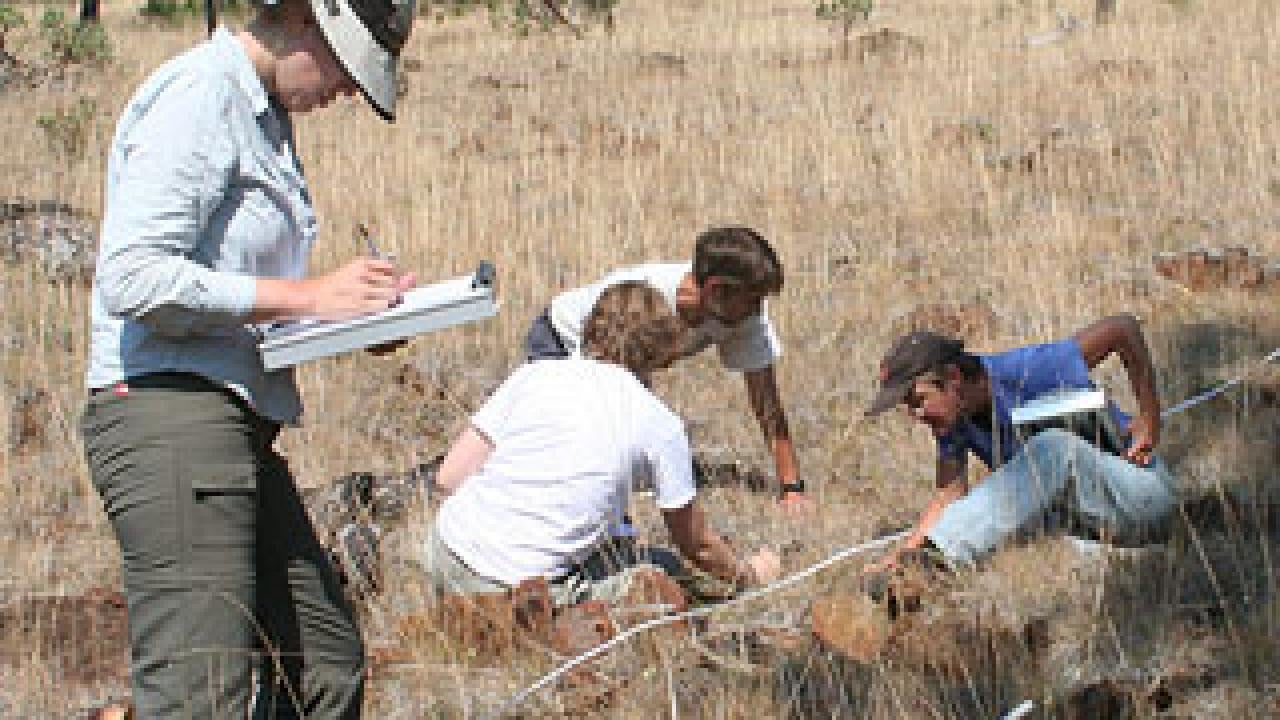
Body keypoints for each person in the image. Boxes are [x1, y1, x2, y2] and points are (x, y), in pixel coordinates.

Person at [80, 0, 417, 716]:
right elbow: (134, 277)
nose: (348, 91)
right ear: (300, 20)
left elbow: (240, 308)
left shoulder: (263, 116)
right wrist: (309, 296)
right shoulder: (203, 96)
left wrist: (349, 317)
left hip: (231, 422)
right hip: (167, 415)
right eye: (346, 68)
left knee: (324, 665)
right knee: (201, 693)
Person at [425, 282, 782, 609]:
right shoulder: (659, 424)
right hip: (518, 587)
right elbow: (698, 546)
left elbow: (449, 476)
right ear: (665, 350)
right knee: (664, 570)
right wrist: (748, 573)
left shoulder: (538, 373)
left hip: (445, 554)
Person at [862, 315, 1177, 578]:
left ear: (953, 377)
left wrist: (1150, 416)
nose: (915, 415)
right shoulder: (951, 420)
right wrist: (901, 556)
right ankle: (921, 569)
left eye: (918, 401)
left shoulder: (1027, 369)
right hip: (1087, 527)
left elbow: (1122, 328)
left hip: (1141, 495)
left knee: (1053, 449)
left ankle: (937, 564)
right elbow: (948, 495)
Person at [524, 226, 811, 513]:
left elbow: (766, 400)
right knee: (570, 443)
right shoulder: (639, 300)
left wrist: (791, 489)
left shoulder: (743, 313)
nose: (758, 310)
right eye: (752, 300)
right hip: (561, 340)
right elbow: (609, 394)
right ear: (715, 289)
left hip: (628, 364)